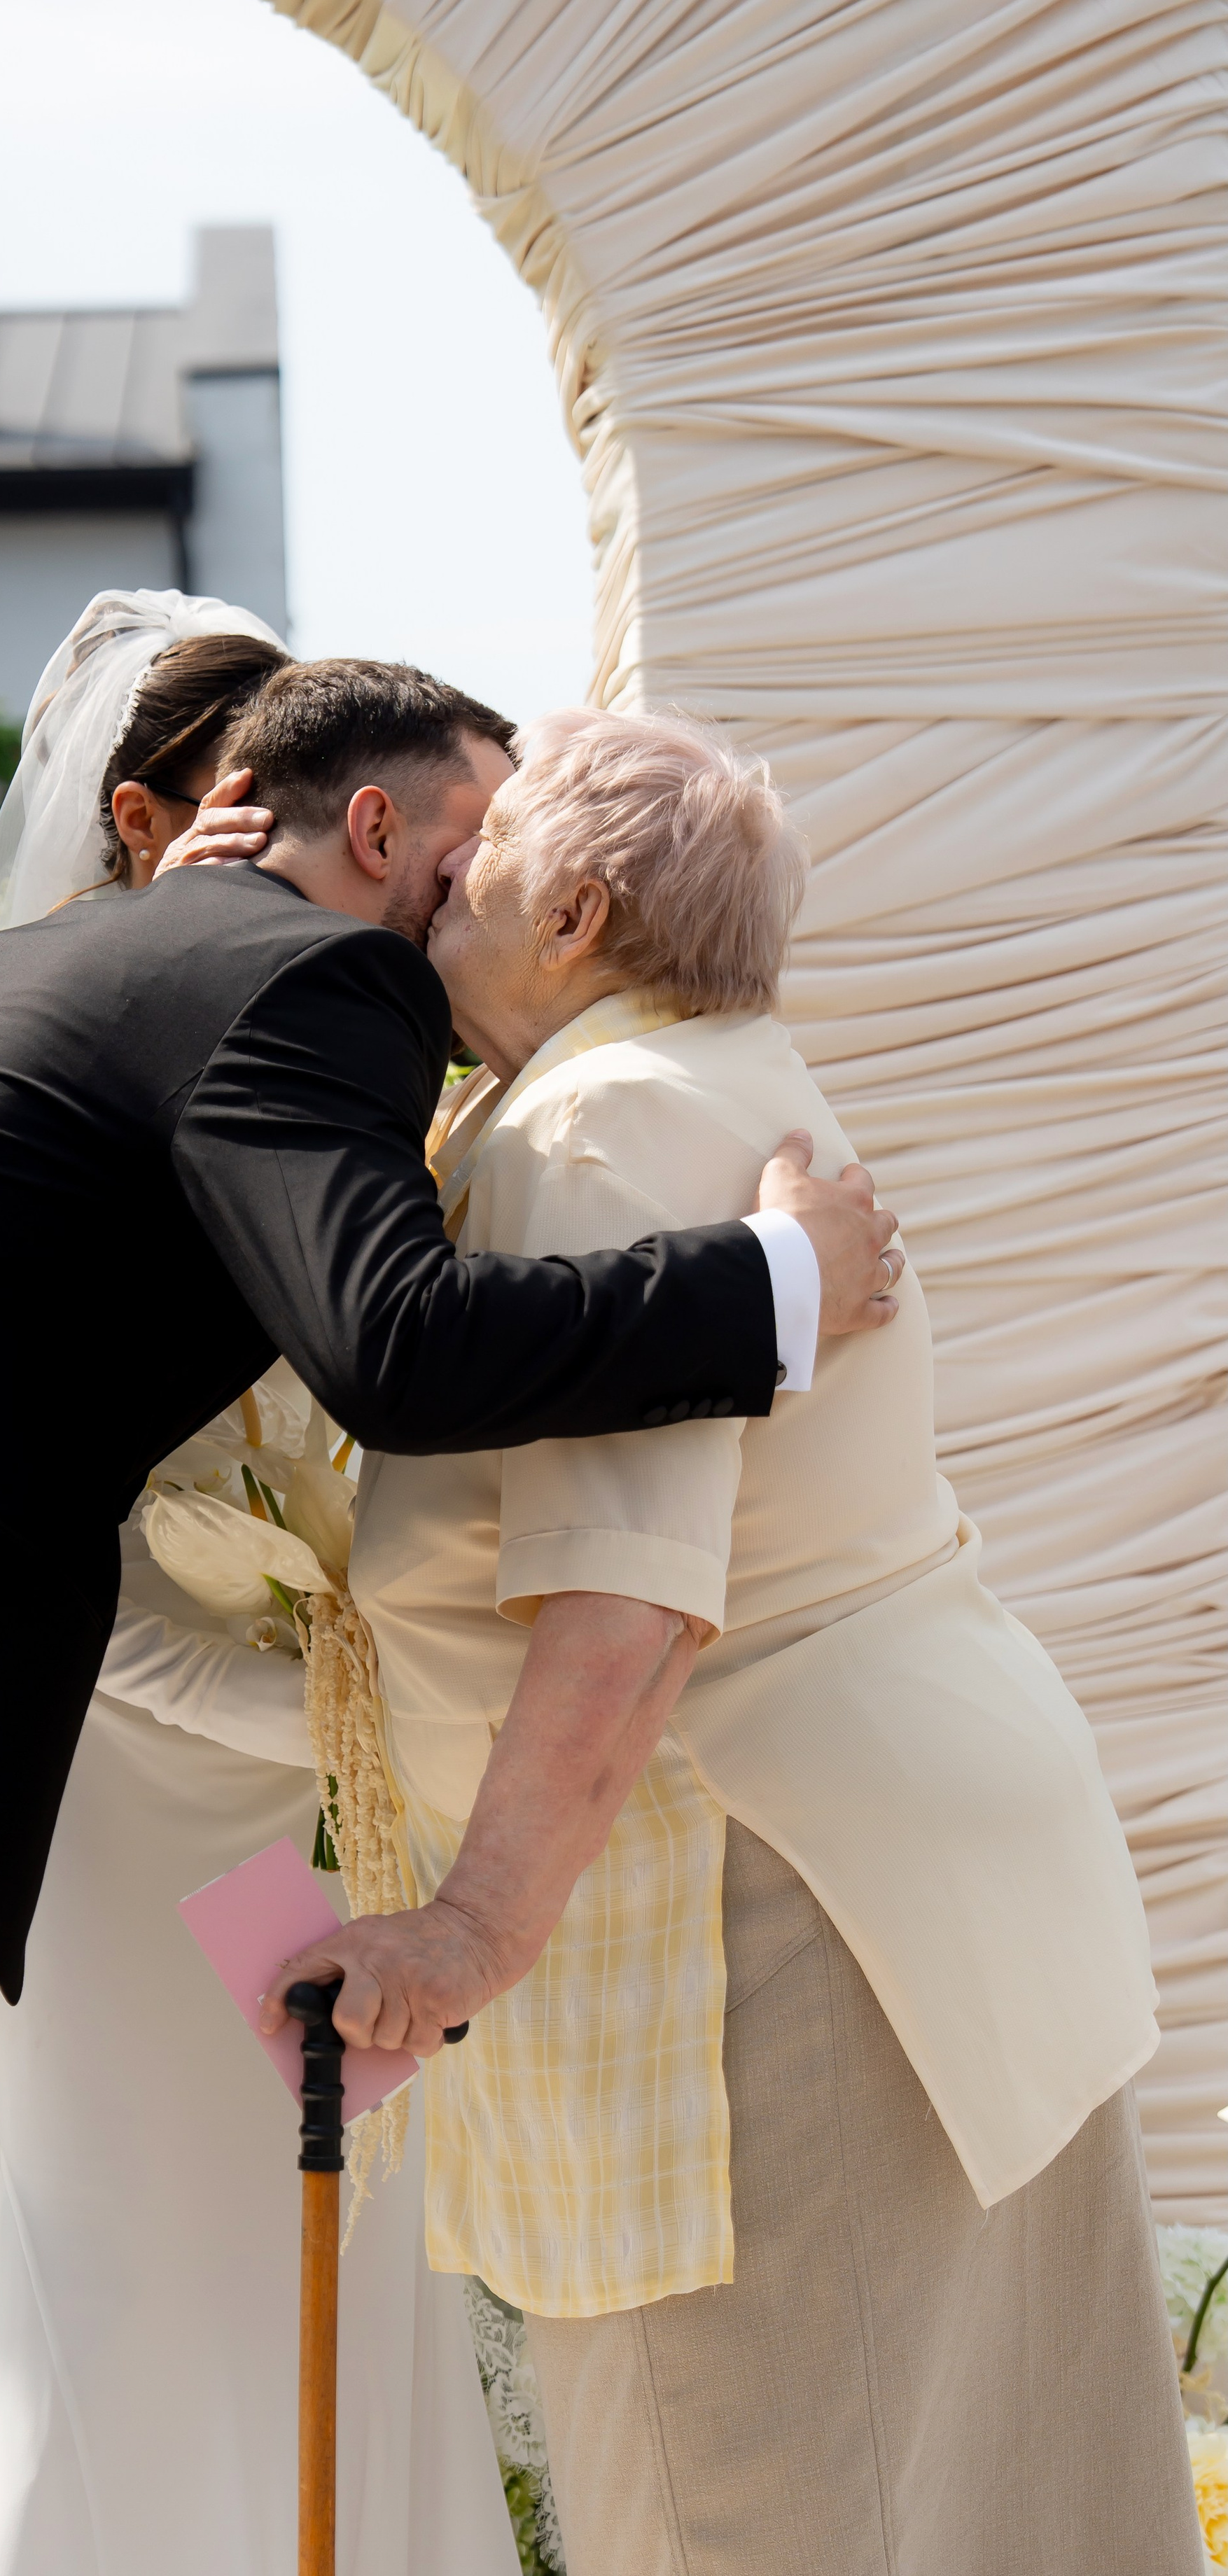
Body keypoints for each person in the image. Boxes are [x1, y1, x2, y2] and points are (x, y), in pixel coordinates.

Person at [0, 631, 898, 2575]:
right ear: (374, 830)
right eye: (479, 843)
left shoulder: (76, 958)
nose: (508, 896)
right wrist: (772, 1284)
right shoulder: (316, 973)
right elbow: (402, 1346)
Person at [260, 707, 1197, 2576]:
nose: (452, 870)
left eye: (495, 851)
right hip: (924, 1840)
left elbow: (632, 1592)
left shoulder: (594, 1122)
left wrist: (470, 1929)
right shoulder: (732, 1074)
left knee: (748, 2495)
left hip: (773, 1892)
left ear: (580, 910)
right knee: (1019, 2493)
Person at [0, 592, 519, 2576]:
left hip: (312, 1782)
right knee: (131, 2280)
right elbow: (38, 1519)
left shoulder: (336, 1074)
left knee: (355, 2263)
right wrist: (356, 1717)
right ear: (140, 823)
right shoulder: (56, 1087)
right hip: (125, 1773)